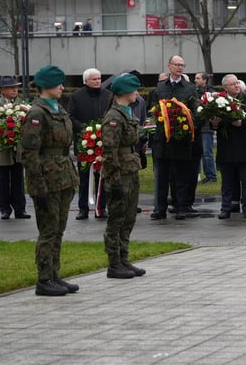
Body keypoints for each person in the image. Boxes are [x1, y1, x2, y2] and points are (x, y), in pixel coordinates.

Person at [20, 65, 78, 296]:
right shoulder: (37, 114)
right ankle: (44, 279)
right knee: (48, 230)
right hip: (46, 180)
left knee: (59, 229)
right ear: (45, 86)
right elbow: (29, 153)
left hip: (62, 176)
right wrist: (39, 186)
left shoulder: (58, 110)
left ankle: (55, 275)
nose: (62, 87)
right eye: (58, 84)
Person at [100, 73, 146, 279]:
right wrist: (114, 178)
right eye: (134, 89)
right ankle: (114, 263)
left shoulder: (127, 113)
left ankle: (123, 258)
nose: (137, 93)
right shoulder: (114, 116)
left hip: (130, 169)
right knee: (116, 219)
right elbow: (110, 151)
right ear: (124, 92)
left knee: (128, 217)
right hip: (119, 173)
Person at [149, 55, 197, 220]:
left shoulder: (190, 88)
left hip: (181, 139)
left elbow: (196, 111)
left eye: (182, 65)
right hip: (163, 139)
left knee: (181, 176)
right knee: (162, 176)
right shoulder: (160, 87)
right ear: (169, 66)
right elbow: (154, 109)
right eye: (177, 65)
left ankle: (181, 207)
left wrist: (185, 124)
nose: (180, 68)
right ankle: (160, 209)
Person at [67, 68, 112, 219]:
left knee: (102, 176)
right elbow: (71, 117)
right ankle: (83, 208)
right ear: (85, 81)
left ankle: (101, 207)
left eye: (99, 78)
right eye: (94, 79)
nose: (98, 81)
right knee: (84, 177)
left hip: (103, 142)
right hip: (84, 143)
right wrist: (85, 129)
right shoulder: (76, 96)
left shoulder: (108, 95)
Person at [216, 74, 246, 218]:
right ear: (225, 87)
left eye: (237, 83)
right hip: (226, 148)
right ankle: (225, 208)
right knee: (227, 182)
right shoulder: (219, 102)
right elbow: (213, 124)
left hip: (244, 146)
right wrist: (215, 121)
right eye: (233, 84)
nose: (236, 86)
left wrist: (242, 123)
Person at [0, 76, 30, 220]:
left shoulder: (22, 104)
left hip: (18, 150)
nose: (15, 90)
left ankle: (20, 209)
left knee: (18, 179)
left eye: (16, 87)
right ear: (3, 90)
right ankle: (5, 209)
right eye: (11, 87)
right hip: (2, 149)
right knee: (2, 180)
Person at [194, 72, 217, 185]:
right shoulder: (194, 92)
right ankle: (199, 174)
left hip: (206, 126)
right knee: (198, 152)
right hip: (197, 126)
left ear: (205, 80)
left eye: (198, 78)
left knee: (207, 152)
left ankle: (211, 176)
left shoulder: (211, 93)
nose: (195, 80)